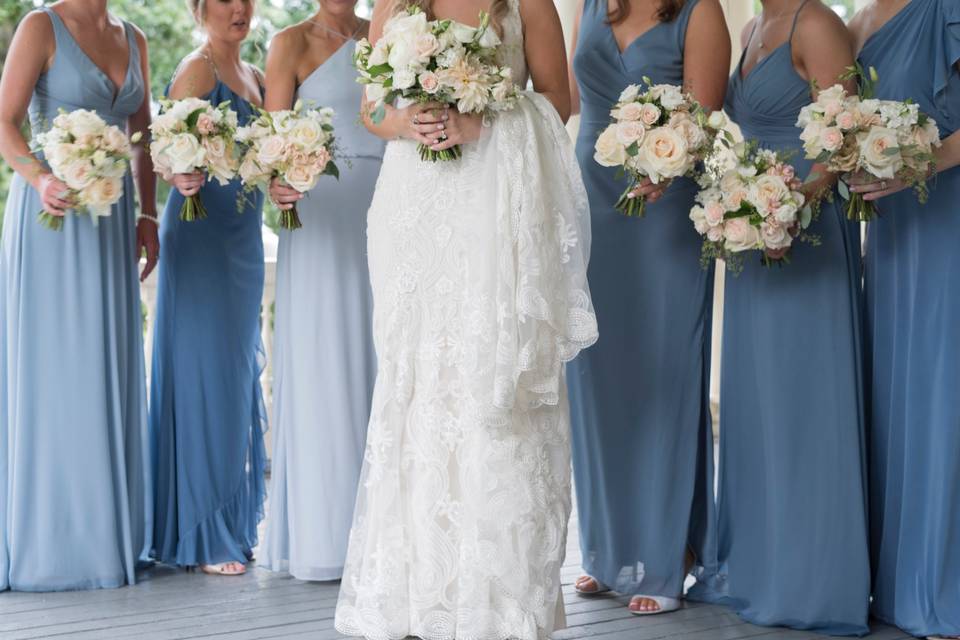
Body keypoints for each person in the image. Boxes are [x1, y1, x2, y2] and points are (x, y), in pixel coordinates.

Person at [333, 0, 598, 638]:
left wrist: (481, 124)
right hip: (414, 210)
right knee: (419, 385)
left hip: (493, 207)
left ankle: (499, 601)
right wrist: (409, 122)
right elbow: (372, 109)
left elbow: (558, 100)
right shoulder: (395, 5)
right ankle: (423, 592)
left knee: (491, 386)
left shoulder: (526, 4)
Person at [688, 1, 871, 634]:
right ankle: (762, 565)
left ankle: (813, 581)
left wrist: (789, 208)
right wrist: (743, 207)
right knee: (759, 405)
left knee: (804, 403)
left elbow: (845, 144)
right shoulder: (749, 28)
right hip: (751, 236)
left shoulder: (817, 24)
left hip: (805, 237)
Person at [566, 0, 730, 615]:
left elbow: (705, 120)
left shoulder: (698, 10)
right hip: (591, 202)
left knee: (665, 371)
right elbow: (576, 101)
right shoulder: (585, 5)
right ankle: (606, 552)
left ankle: (664, 557)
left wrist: (667, 163)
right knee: (596, 371)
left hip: (662, 205)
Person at [0, 0, 158, 591]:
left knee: (101, 367)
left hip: (113, 219)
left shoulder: (133, 35)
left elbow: (140, 137)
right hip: (54, 216)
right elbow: (4, 122)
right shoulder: (40, 26)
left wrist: (149, 214)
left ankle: (103, 538)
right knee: (55, 370)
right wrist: (39, 177)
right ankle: (50, 542)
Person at [260, 0, 384, 582]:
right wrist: (277, 185)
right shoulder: (289, 43)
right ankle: (326, 535)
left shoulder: (388, 33)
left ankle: (386, 535)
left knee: (385, 361)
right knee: (324, 365)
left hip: (390, 209)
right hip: (320, 215)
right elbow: (269, 147)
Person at [848, 1, 960, 637]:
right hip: (890, 231)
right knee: (897, 389)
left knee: (943, 388)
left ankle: (941, 581)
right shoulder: (859, 22)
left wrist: (925, 162)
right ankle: (894, 583)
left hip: (947, 215)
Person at [149, 0, 267, 577]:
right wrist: (179, 172)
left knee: (234, 377)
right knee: (203, 377)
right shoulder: (198, 70)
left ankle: (226, 523)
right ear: (199, 9)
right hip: (198, 238)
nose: (238, 8)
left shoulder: (258, 76)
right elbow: (163, 151)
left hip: (243, 242)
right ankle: (203, 533)